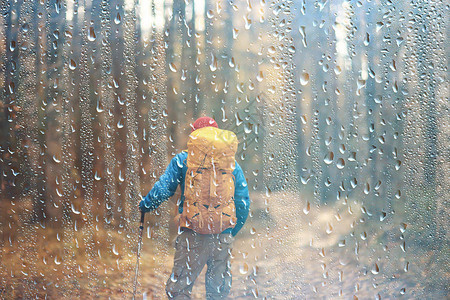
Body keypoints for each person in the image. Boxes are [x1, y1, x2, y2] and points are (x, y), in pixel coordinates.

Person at [139, 116, 250, 299]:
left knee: (179, 290)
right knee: (217, 293)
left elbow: (164, 188)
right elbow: (243, 202)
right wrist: (230, 230)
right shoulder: (231, 165)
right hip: (222, 236)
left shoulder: (184, 160)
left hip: (192, 234)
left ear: (194, 137)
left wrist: (146, 205)